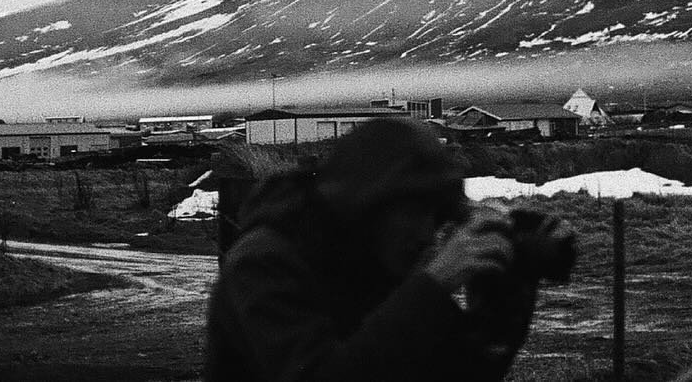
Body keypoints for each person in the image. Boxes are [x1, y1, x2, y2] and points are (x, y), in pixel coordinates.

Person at [205, 118, 574, 382]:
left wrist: (505, 289)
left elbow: (463, 372)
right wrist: (431, 287)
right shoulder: (264, 262)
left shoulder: (379, 260)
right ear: (367, 204)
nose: (427, 234)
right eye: (415, 213)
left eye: (437, 217)